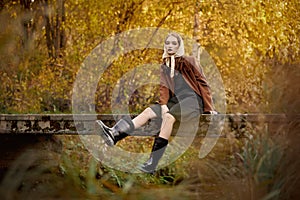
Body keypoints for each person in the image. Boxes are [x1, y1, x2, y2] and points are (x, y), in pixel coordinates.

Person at [95, 32, 217, 174]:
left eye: (174, 43)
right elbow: (164, 88)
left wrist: (209, 108)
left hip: (192, 100)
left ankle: (152, 163)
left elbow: (203, 84)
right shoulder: (165, 64)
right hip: (175, 101)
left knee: (169, 117)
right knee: (148, 112)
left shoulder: (190, 61)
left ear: (179, 46)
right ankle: (114, 134)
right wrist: (164, 106)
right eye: (168, 43)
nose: (170, 46)